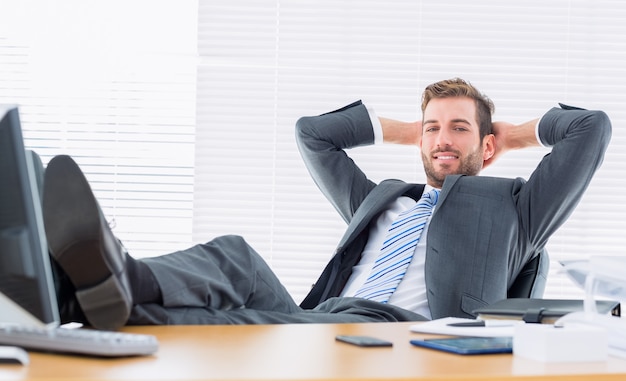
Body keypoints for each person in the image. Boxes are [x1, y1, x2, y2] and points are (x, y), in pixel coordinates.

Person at [43, 78, 611, 331]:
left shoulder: (515, 208)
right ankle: (75, 295)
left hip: (403, 333)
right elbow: (313, 133)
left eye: (459, 129)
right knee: (233, 264)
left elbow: (591, 128)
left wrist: (509, 137)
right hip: (316, 319)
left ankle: (90, 286)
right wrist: (407, 129)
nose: (442, 138)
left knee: (227, 318)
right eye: (432, 129)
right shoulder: (381, 200)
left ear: (484, 145)